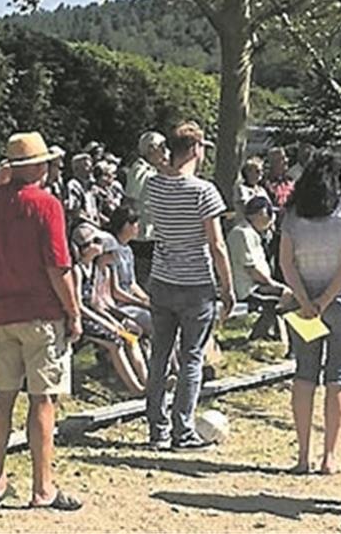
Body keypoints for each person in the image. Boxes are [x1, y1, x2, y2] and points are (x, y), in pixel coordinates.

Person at [0, 132, 83, 511]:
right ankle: (43, 486)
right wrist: (74, 311)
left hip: (0, 310)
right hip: (40, 312)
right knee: (42, 399)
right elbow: (57, 266)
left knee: (1, 397)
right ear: (36, 167)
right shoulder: (46, 204)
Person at [143, 122, 234, 452]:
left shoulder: (154, 186)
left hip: (162, 279)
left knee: (160, 355)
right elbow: (216, 244)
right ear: (196, 149)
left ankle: (157, 427)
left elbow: (164, 175)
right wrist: (227, 286)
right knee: (191, 358)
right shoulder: (204, 191)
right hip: (196, 283)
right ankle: (183, 429)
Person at [277, 153, 341, 477]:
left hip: (305, 302)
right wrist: (327, 300)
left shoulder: (293, 215)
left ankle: (302, 455)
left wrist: (306, 300)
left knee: (304, 375)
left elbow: (286, 263)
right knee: (338, 376)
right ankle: (330, 455)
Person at [74, 227, 149, 396]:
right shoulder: (78, 270)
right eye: (96, 242)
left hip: (96, 315)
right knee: (116, 342)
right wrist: (107, 323)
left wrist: (113, 321)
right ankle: (136, 389)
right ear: (86, 248)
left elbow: (95, 302)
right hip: (82, 318)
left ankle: (147, 381)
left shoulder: (93, 269)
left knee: (130, 337)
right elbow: (80, 305)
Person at [229, 196, 290, 342]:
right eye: (268, 214)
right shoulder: (242, 233)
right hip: (249, 287)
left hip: (259, 284)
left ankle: (258, 336)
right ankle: (297, 346)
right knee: (291, 297)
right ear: (260, 214)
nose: (271, 220)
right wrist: (273, 284)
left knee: (275, 304)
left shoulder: (252, 233)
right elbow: (251, 269)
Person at [122, 132, 168, 282]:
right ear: (151, 149)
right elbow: (130, 201)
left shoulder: (155, 170)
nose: (165, 151)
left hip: (154, 233)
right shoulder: (140, 170)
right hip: (142, 235)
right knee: (144, 277)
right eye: (162, 146)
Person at [102, 207, 154, 336]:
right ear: (126, 226)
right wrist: (141, 303)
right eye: (135, 224)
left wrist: (146, 299)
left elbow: (132, 284)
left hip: (131, 300)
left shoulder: (128, 250)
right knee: (155, 321)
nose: (138, 227)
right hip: (118, 305)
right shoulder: (112, 249)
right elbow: (116, 291)